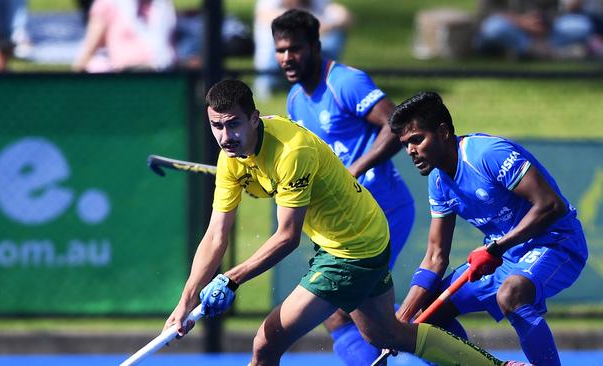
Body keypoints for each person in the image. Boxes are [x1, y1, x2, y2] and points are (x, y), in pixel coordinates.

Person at [163, 79, 528, 366]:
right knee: (388, 334)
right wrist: (186, 301)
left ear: (255, 117)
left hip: (353, 250)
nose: (226, 136)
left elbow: (287, 237)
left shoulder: (292, 152)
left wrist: (231, 278)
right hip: (357, 237)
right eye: (217, 126)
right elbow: (215, 236)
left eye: (234, 124)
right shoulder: (230, 159)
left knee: (266, 341)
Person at [389, 91, 588, 366]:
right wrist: (401, 322)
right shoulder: (437, 181)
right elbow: (435, 256)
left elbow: (551, 206)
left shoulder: (487, 154)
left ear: (443, 132)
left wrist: (497, 247)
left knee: (511, 294)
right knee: (428, 312)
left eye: (417, 139)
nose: (410, 150)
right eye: (405, 144)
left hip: (556, 243)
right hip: (502, 257)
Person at [270, 9, 415, 366]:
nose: (287, 58)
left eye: (296, 48)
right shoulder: (294, 99)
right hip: (344, 225)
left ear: (317, 46)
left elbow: (397, 126)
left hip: (382, 212)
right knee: (341, 314)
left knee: (341, 307)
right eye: (281, 50)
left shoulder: (345, 82)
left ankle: (434, 344)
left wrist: (353, 171)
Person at [253, 0, 352, 100]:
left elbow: (345, 16)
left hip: (307, 48)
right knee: (270, 33)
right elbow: (263, 15)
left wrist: (328, 25)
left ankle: (329, 80)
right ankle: (266, 85)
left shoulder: (317, 2)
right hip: (279, 49)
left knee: (335, 35)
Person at [72, 0, 176, 72]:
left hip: (163, 74)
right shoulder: (108, 4)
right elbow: (89, 48)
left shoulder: (162, 6)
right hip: (128, 75)